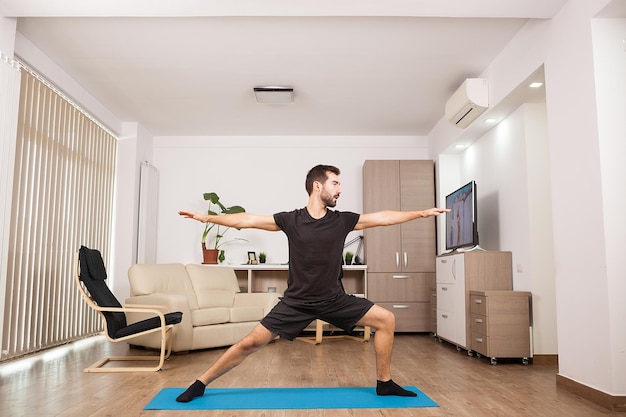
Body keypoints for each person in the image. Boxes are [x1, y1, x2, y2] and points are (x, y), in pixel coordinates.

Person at [176, 164, 449, 403]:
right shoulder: (291, 220)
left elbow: (381, 217)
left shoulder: (342, 221)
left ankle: (385, 383)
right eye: (336, 183)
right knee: (250, 343)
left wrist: (421, 213)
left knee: (386, 319)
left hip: (334, 299)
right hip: (296, 302)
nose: (340, 189)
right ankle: (200, 383)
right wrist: (208, 218)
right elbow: (248, 220)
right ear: (317, 186)